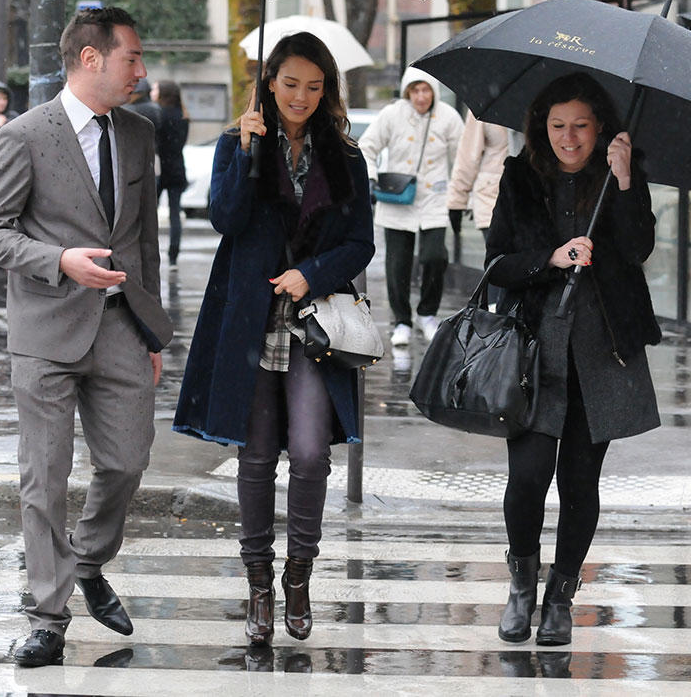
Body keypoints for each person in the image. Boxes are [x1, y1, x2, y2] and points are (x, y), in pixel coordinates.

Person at [0, 7, 172, 668]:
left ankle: (86, 560)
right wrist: (59, 260)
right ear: (92, 59)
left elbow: (142, 240)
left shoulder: (140, 134)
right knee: (45, 476)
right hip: (46, 326)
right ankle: (49, 614)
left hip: (120, 324)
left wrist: (151, 331)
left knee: (127, 461)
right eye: (131, 58)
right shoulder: (26, 134)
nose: (141, 71)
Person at [172, 32, 374, 646]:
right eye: (290, 84)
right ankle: (258, 579)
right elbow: (226, 219)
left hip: (315, 323)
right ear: (269, 82)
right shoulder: (241, 142)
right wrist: (248, 150)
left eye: (314, 87)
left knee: (311, 451)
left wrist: (310, 273)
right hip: (251, 318)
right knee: (256, 454)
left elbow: (360, 242)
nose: (301, 97)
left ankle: (298, 574)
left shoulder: (346, 153)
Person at [485, 72, 660, 647]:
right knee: (528, 475)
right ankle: (520, 587)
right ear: (542, 127)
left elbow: (638, 250)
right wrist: (551, 259)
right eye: (558, 125)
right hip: (534, 349)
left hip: (599, 351)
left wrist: (627, 178)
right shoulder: (520, 176)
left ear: (601, 126)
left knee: (580, 480)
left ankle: (560, 598)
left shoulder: (619, 176)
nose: (569, 137)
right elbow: (497, 262)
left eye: (581, 125)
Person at [358, 67, 463, 346]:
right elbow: (367, 146)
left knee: (434, 257)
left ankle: (427, 313)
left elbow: (462, 159)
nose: (420, 96)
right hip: (398, 200)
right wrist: (369, 178)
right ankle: (401, 320)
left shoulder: (448, 117)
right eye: (415, 90)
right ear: (407, 92)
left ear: (434, 92)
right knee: (398, 266)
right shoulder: (392, 115)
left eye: (426, 89)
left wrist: (461, 196)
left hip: (434, 200)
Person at [447, 109, 509, 243]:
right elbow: (468, 156)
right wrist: (457, 202)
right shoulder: (486, 105)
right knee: (500, 260)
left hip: (531, 198)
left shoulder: (537, 101)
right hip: (491, 198)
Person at [153, 79, 189, 266]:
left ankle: (150, 252)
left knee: (151, 213)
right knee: (175, 214)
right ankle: (173, 254)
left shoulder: (159, 113)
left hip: (160, 167)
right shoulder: (183, 114)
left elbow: (158, 142)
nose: (153, 91)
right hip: (177, 166)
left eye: (155, 88)